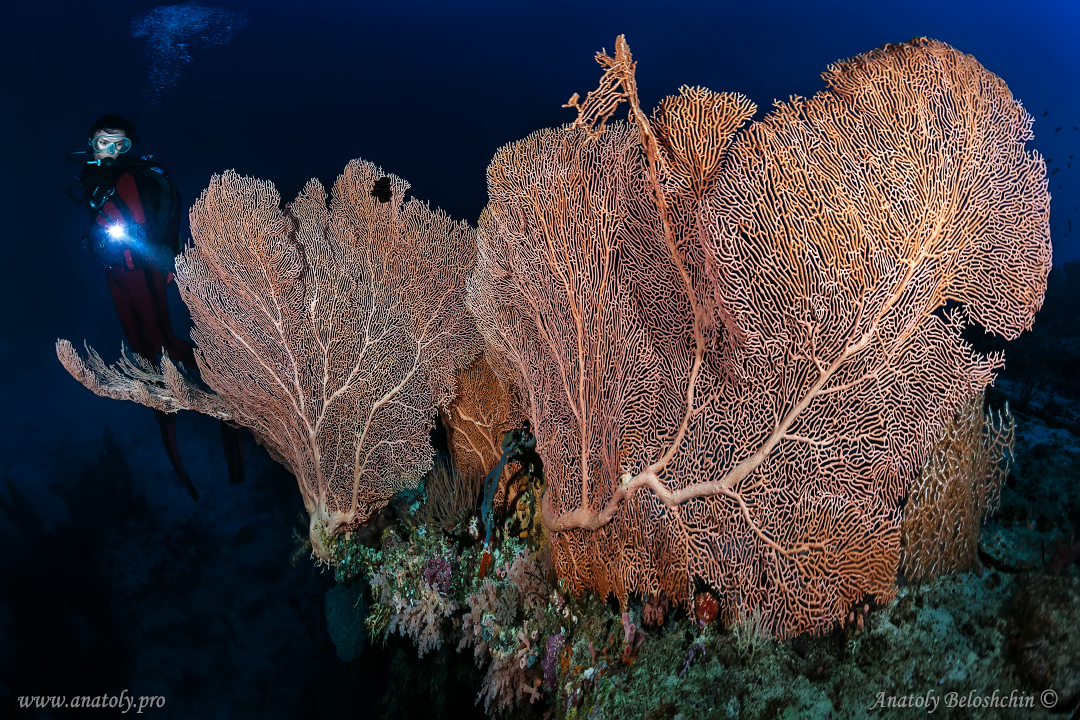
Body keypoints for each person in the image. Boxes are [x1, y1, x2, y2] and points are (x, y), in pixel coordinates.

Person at [75, 115, 244, 498]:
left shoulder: (130, 178)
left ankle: (227, 390)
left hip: (142, 273)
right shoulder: (91, 178)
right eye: (105, 143)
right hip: (116, 275)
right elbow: (105, 224)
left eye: (121, 145)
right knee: (142, 351)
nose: (113, 152)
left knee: (162, 341)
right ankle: (167, 421)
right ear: (91, 143)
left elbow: (132, 227)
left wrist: (153, 259)